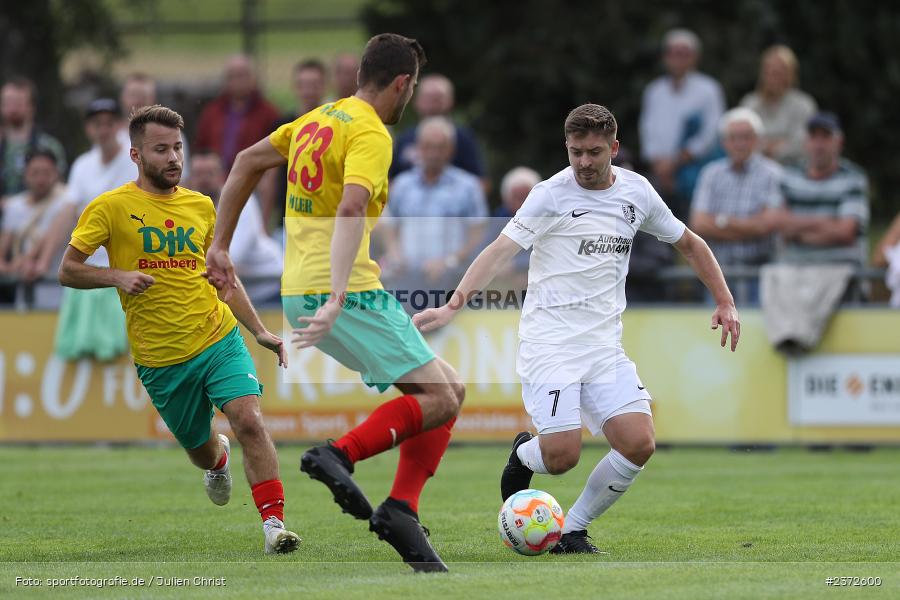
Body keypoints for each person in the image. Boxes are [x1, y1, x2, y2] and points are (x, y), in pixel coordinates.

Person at [414, 104, 740, 554]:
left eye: (594, 152)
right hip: (549, 343)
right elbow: (500, 250)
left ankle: (572, 528)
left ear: (615, 148)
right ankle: (525, 453)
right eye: (575, 152)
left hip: (604, 346)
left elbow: (689, 243)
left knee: (639, 443)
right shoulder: (550, 195)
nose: (584, 162)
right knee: (562, 457)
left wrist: (724, 300)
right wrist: (454, 304)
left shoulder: (637, 193)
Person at [205, 33, 463, 573]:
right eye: (410, 88)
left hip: (299, 287)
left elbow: (246, 162)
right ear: (402, 82)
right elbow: (351, 208)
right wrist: (341, 294)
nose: (408, 98)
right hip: (341, 290)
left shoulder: (318, 118)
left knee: (448, 389)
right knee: (440, 399)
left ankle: (402, 512)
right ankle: (339, 455)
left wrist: (219, 244)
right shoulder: (371, 131)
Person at [57, 104, 300, 555]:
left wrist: (260, 331)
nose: (173, 159)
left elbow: (223, 276)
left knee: (248, 417)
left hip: (217, 337)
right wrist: (117, 276)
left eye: (178, 148)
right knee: (202, 450)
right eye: (161, 149)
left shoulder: (201, 206)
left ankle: (275, 526)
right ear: (135, 155)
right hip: (162, 360)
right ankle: (219, 459)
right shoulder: (110, 208)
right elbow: (67, 270)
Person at [51, 98, 135, 361]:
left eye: (110, 123)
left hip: (129, 268)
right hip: (90, 272)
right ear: (89, 129)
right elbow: (67, 214)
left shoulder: (134, 159)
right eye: (97, 124)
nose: (104, 130)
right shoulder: (82, 165)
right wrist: (39, 259)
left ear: (120, 126)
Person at [380, 116, 488, 308]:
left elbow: (478, 234)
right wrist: (394, 252)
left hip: (452, 283)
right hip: (406, 282)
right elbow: (390, 226)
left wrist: (449, 262)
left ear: (451, 149)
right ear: (419, 148)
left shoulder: (468, 187)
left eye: (441, 147)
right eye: (429, 146)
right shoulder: (402, 185)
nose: (434, 153)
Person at [689, 108, 784, 305]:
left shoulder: (774, 174)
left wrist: (721, 222)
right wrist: (750, 226)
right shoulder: (711, 174)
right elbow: (698, 224)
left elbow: (767, 225)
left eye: (746, 137)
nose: (740, 143)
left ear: (757, 140)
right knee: (718, 335)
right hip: (719, 275)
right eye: (733, 137)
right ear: (724, 142)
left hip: (761, 273)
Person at [640, 29, 725, 219]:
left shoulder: (709, 90)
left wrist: (676, 163)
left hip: (695, 172)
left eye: (684, 53)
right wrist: (660, 165)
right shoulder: (654, 91)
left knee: (691, 227)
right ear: (665, 56)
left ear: (695, 57)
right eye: (673, 52)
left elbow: (712, 132)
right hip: (659, 173)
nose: (677, 58)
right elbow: (648, 130)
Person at [188, 149, 282, 305]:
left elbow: (231, 256)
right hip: (234, 291)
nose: (204, 179)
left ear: (222, 177)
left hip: (269, 288)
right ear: (190, 179)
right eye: (198, 174)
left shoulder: (242, 201)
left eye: (209, 173)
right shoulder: (189, 207)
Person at [778, 112, 868, 267]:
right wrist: (825, 222)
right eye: (813, 136)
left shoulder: (853, 179)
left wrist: (798, 234)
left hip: (841, 272)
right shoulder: (788, 176)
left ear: (839, 142)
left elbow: (845, 232)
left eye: (825, 137)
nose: (819, 145)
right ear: (806, 142)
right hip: (794, 272)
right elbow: (780, 226)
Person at [260, 60, 330, 233]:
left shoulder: (334, 126)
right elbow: (271, 176)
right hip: (288, 220)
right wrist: (264, 223)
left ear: (324, 87)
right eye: (303, 85)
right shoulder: (283, 126)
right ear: (295, 87)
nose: (308, 91)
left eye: (314, 85)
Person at [0, 149, 69, 308]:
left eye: (46, 173)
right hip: (24, 293)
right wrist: (16, 268)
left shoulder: (66, 202)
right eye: (35, 173)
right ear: (25, 175)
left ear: (56, 174)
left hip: (59, 290)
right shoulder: (14, 206)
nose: (40, 179)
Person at [389, 74, 487, 185]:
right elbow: (390, 181)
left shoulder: (463, 138)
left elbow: (480, 182)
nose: (432, 103)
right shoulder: (405, 139)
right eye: (428, 97)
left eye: (438, 98)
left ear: (450, 101)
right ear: (416, 101)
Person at [194, 55, 280, 172]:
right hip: (216, 179)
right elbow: (201, 147)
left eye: (242, 75)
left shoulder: (268, 113)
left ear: (253, 78)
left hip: (253, 176)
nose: (237, 81)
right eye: (232, 76)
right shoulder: (212, 112)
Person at [740, 45, 817, 166]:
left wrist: (767, 147)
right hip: (754, 169)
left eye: (778, 73)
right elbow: (741, 139)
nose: (773, 78)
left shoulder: (804, 105)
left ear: (790, 75)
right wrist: (779, 144)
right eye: (768, 72)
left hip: (793, 169)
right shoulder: (750, 103)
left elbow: (802, 143)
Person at [0, 77, 67, 198]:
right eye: (7, 103)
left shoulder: (49, 146)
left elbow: (59, 190)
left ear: (32, 107)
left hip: (38, 214)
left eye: (18, 103)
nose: (12, 109)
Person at [119, 73, 191, 179]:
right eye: (133, 95)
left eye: (143, 96)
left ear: (153, 99)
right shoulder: (111, 137)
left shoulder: (173, 136)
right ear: (123, 98)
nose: (138, 101)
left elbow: (181, 181)